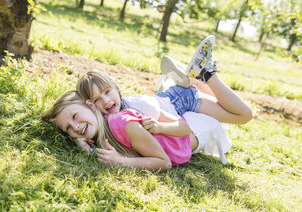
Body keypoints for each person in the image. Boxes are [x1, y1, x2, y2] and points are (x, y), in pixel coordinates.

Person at [75, 36, 252, 163]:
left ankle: (205, 74)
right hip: (169, 100)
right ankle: (191, 78)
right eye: (97, 100)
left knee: (243, 115)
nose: (105, 101)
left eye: (107, 92)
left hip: (182, 101)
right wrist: (82, 143)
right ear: (91, 106)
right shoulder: (115, 117)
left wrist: (161, 126)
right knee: (220, 107)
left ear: (116, 88)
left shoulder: (137, 106)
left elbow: (179, 126)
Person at [42, 90, 194, 170]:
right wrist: (85, 149)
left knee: (207, 107)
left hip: (193, 132)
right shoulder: (99, 134)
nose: (76, 127)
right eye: (68, 128)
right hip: (171, 118)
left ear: (90, 105)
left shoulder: (123, 124)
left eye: (75, 116)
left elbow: (164, 163)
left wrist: (121, 161)